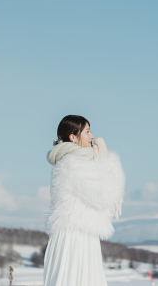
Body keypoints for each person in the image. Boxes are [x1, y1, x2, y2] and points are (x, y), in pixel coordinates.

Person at [43, 115, 125, 286]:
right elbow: (104, 195)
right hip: (74, 238)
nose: (92, 136)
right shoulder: (73, 164)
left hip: (80, 234)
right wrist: (107, 160)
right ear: (73, 137)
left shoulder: (78, 161)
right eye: (87, 131)